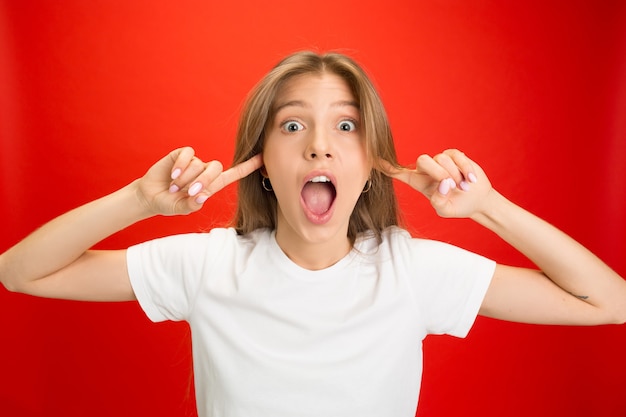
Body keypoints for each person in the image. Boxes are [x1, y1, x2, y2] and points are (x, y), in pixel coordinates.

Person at [1, 51, 625, 416]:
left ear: (373, 161)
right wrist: (140, 200)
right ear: (262, 161)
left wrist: (487, 207)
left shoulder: (412, 271)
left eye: (347, 127)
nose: (322, 146)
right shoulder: (208, 265)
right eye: (294, 127)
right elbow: (18, 271)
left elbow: (611, 302)